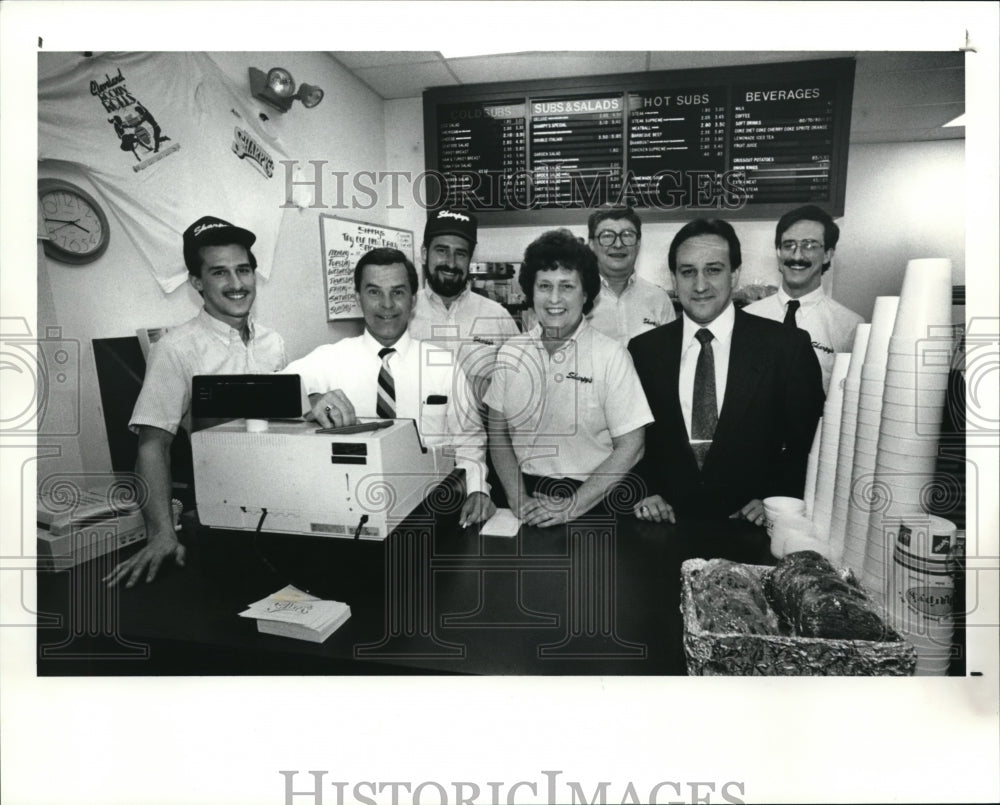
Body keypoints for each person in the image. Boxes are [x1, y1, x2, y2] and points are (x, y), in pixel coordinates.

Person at [106, 216, 287, 587]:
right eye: (220, 272)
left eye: (244, 270)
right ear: (197, 282)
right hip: (222, 521)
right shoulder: (175, 349)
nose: (236, 284)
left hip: (283, 510)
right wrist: (161, 534)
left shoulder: (274, 343)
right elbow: (152, 446)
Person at [629, 218, 824, 526]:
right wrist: (645, 490)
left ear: (735, 274)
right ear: (673, 278)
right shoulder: (644, 350)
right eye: (688, 271)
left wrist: (775, 498)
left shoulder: (787, 347)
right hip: (665, 528)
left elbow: (810, 439)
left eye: (714, 269)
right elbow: (631, 439)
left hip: (752, 530)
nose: (700, 285)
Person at [284, 247, 495, 528]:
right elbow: (259, 394)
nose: (386, 304)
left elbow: (469, 441)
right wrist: (310, 400)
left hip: (431, 512)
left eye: (397, 292)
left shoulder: (444, 366)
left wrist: (478, 488)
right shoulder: (328, 360)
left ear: (413, 300)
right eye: (374, 292)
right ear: (358, 298)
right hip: (350, 515)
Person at [484, 230, 653, 527]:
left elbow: (632, 446)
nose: (554, 299)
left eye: (567, 286)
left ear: (585, 293)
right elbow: (497, 433)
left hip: (591, 499)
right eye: (544, 286)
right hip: (518, 496)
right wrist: (516, 497)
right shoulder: (511, 352)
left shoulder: (611, 356)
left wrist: (572, 506)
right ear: (530, 291)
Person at [743, 204, 863, 392]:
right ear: (778, 253)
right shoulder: (746, 318)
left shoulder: (850, 327)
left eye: (809, 245)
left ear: (827, 254)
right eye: (789, 245)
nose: (797, 255)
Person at [408, 207, 519, 402]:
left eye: (460, 254)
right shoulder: (404, 314)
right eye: (441, 251)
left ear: (470, 259)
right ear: (424, 253)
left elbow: (520, 385)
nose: (451, 263)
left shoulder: (498, 317)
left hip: (482, 431)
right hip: (418, 431)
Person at [585, 206, 675, 344]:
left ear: (638, 243)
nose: (618, 244)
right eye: (607, 236)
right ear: (591, 244)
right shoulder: (577, 298)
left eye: (627, 235)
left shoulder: (659, 299)